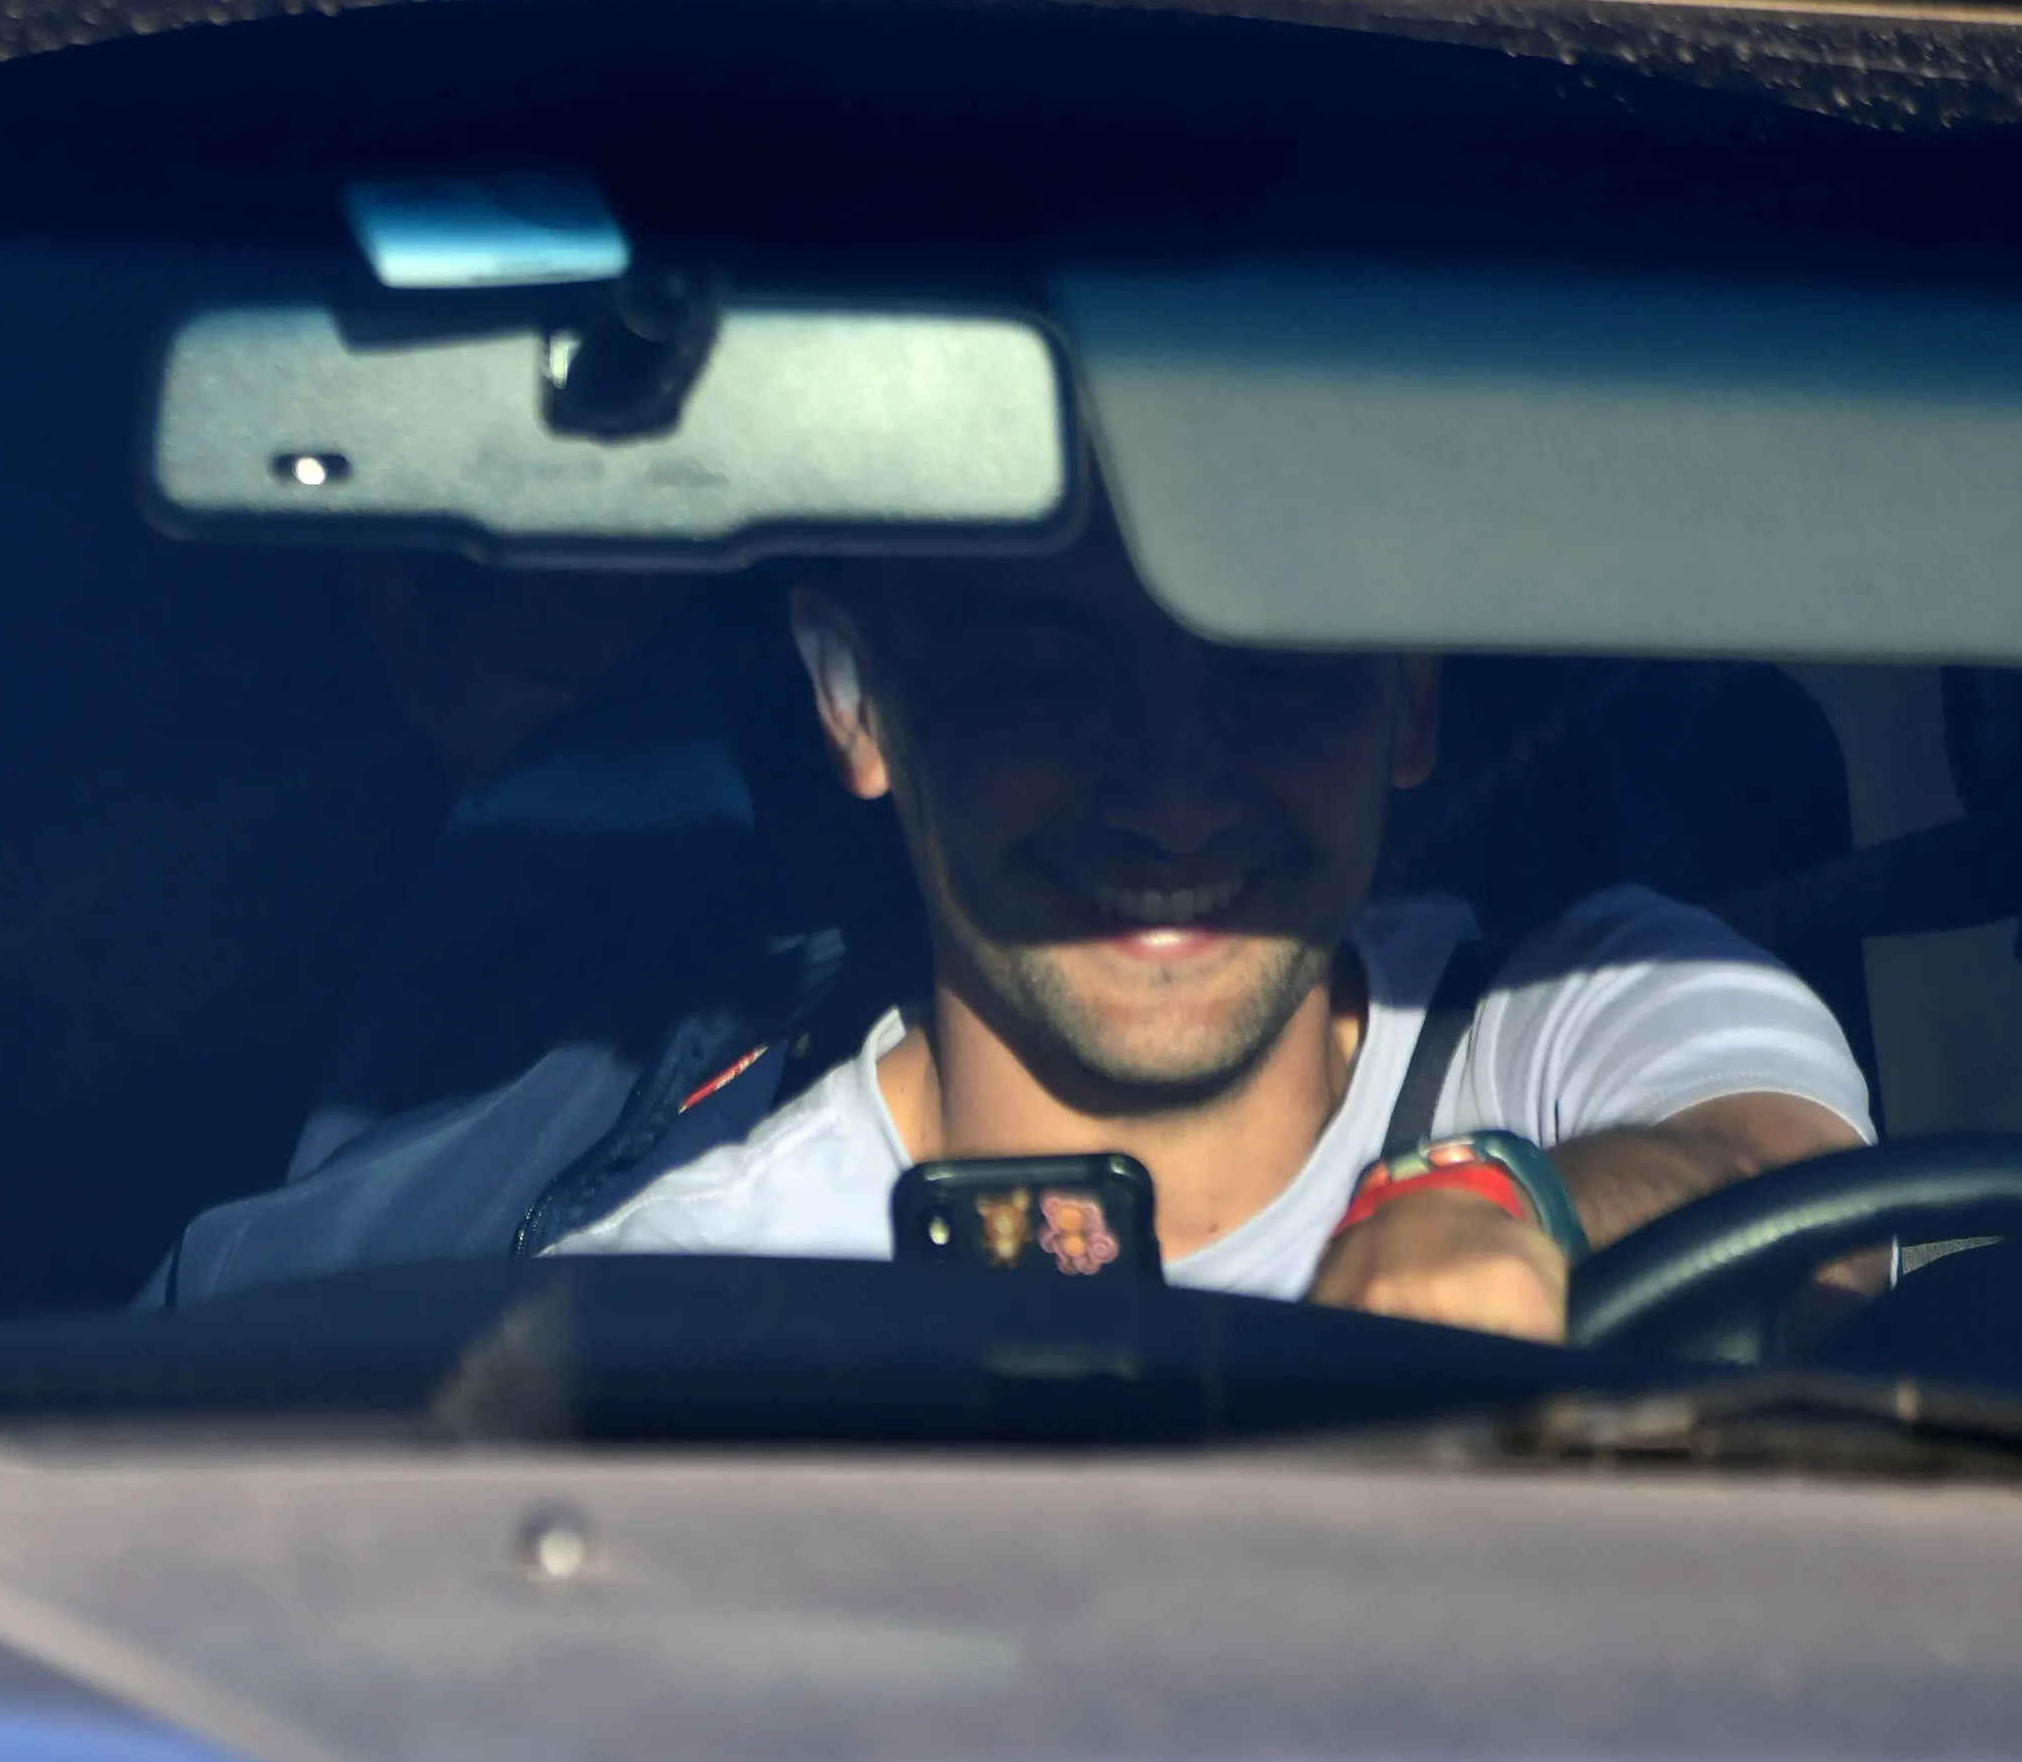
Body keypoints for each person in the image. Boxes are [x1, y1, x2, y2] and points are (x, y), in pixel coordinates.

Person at [544, 526, 1869, 1330]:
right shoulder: (677, 1311)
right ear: (852, 698)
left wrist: (1511, 1207)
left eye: (1273, 673)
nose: (1175, 809)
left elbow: (1796, 1194)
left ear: (1409, 697)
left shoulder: (1574, 1012)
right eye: (1045, 682)